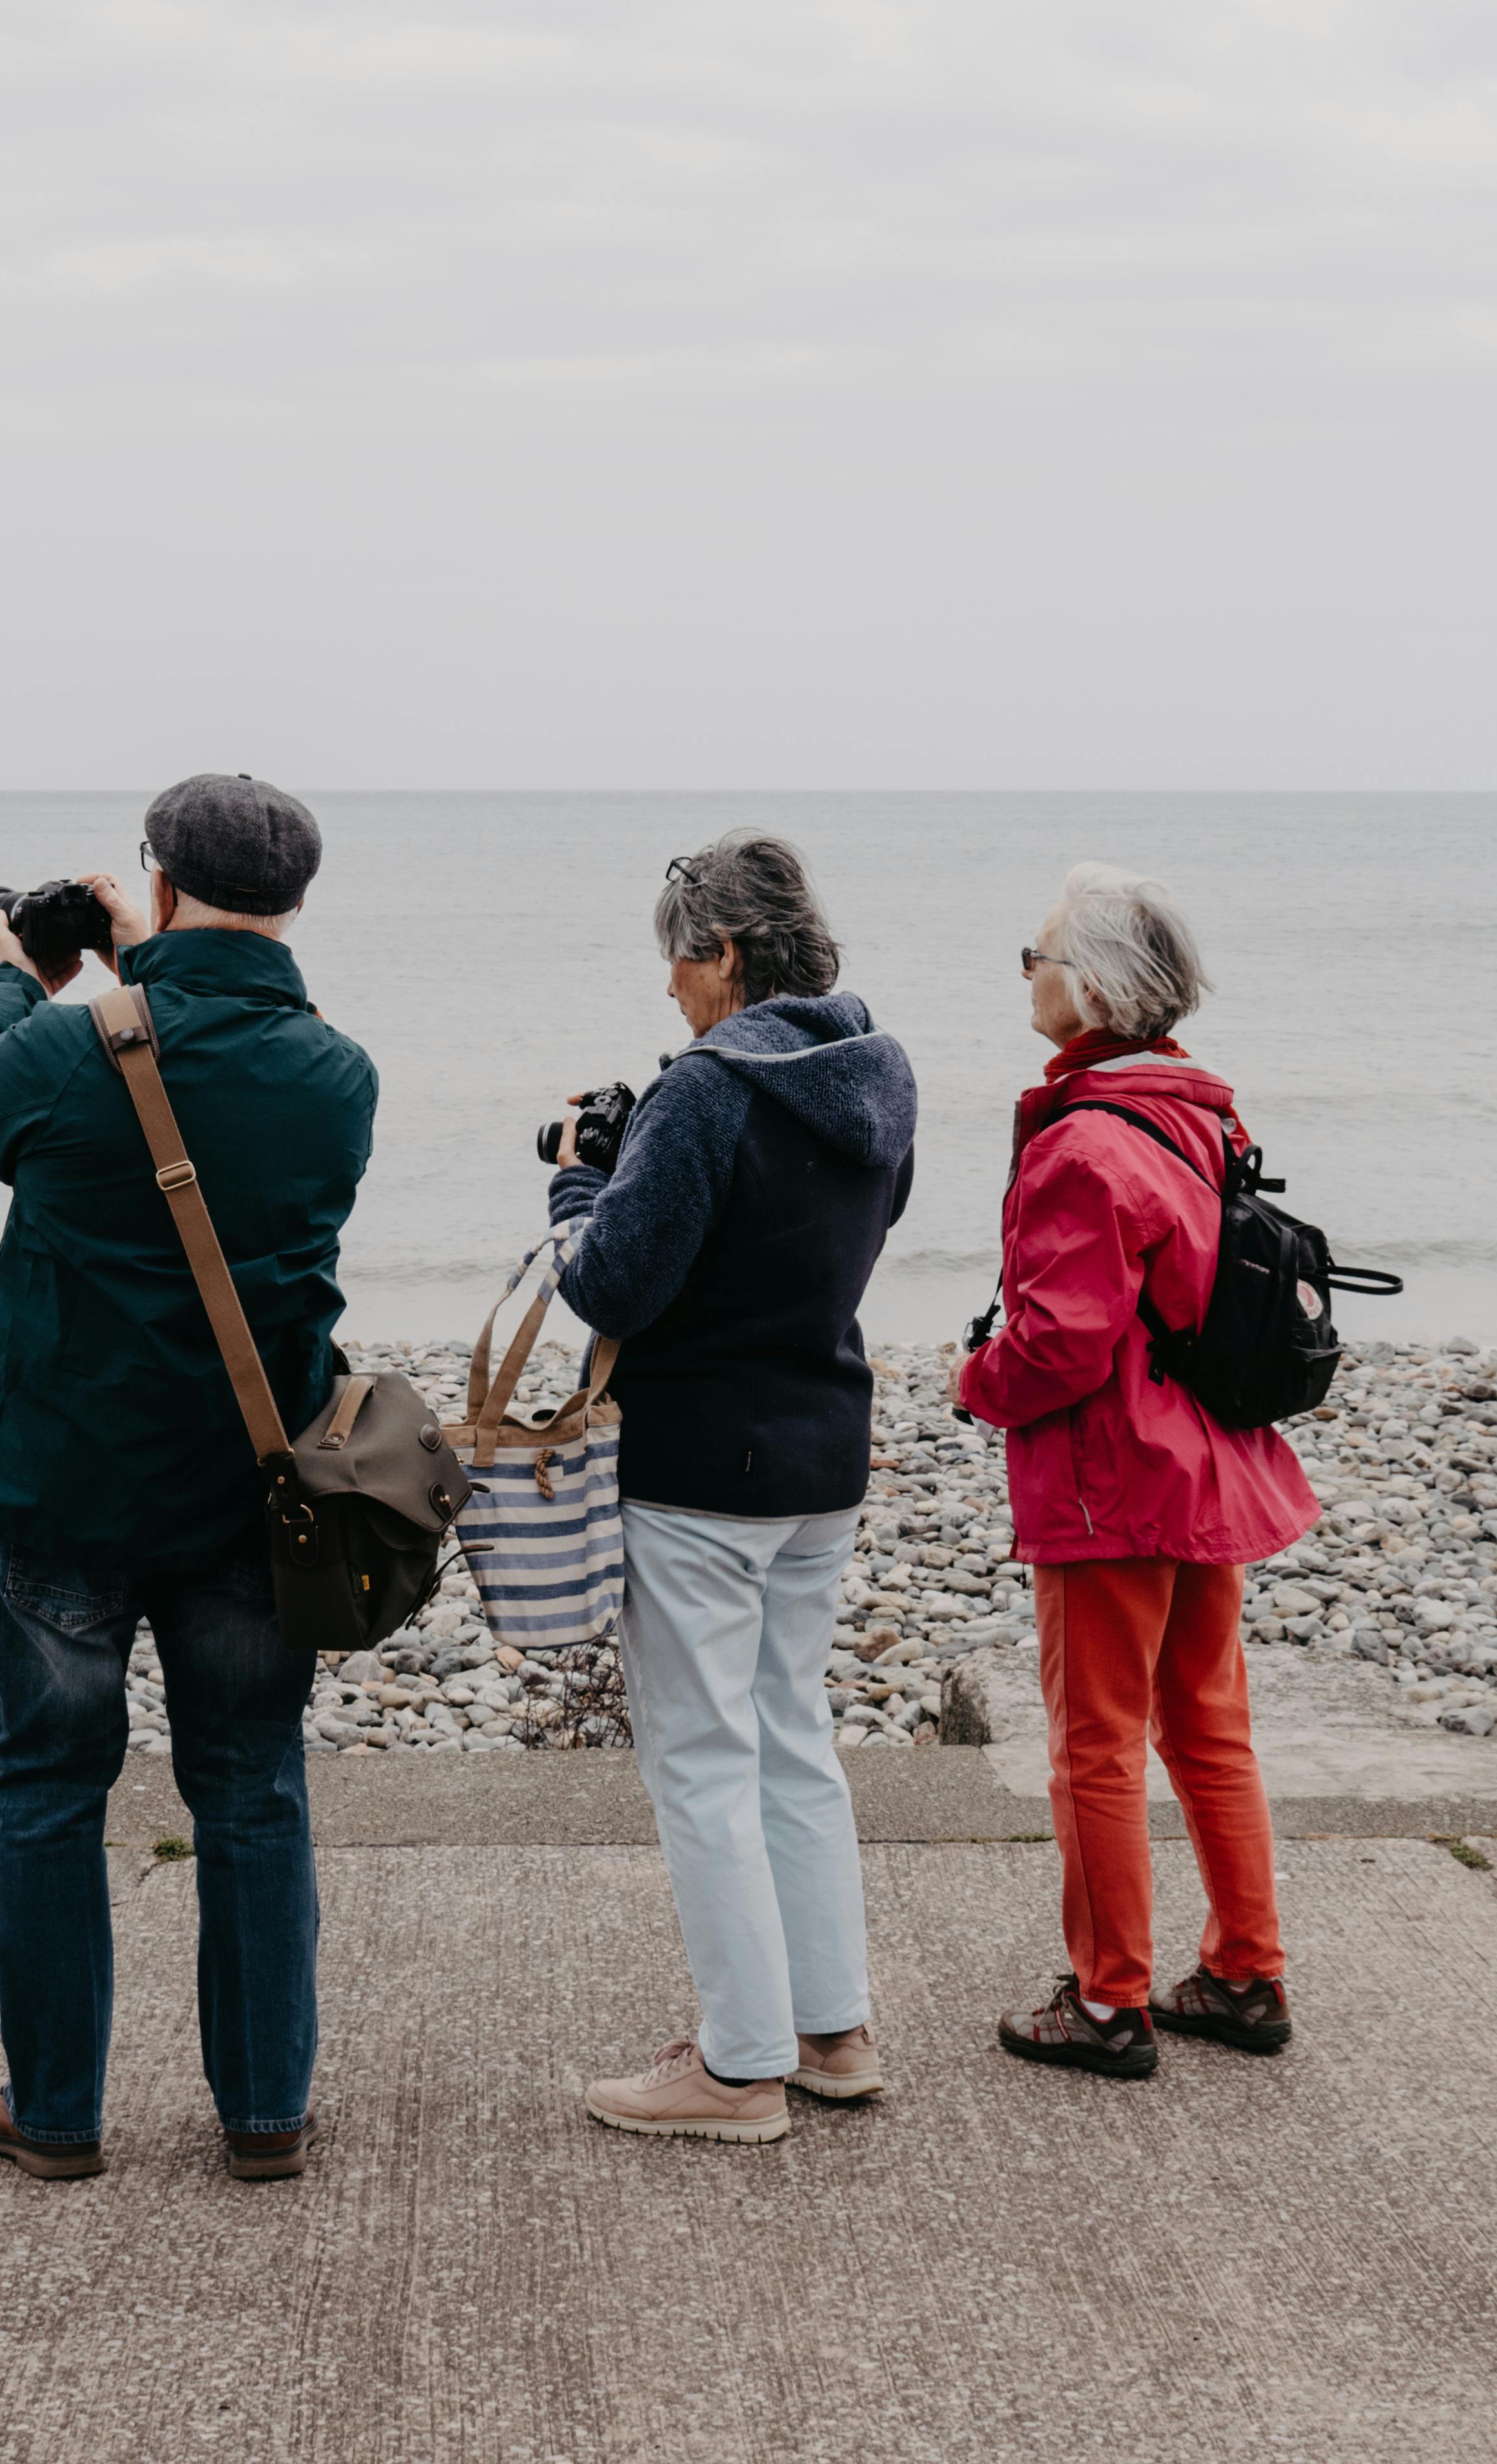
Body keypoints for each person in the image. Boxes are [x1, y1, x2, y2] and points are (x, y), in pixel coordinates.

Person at [0, 774, 371, 2184]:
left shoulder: (65, 1050)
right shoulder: (338, 1073)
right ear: (296, 902)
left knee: (50, 1783)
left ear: (156, 886)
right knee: (250, 1785)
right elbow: (225, 1061)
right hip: (252, 1484)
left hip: (66, 1480)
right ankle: (264, 2113)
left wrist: (17, 975)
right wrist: (149, 962)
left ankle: (55, 2112)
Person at [546, 832, 918, 2144]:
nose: (668, 991)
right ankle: (831, 2031)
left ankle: (737, 2067)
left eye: (676, 961)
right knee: (793, 1744)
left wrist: (579, 1180)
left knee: (704, 1760)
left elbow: (610, 1284)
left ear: (727, 956)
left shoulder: (707, 1091)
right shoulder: (878, 1069)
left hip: (701, 1466)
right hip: (822, 1450)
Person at [952, 864, 1316, 2079]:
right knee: (1209, 1726)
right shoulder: (1205, 1116)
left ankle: (1109, 2003)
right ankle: (1244, 1972)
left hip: (1115, 1481)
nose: (1028, 971)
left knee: (1094, 1743)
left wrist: (975, 1382)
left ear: (1094, 987)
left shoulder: (1087, 1145)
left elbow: (1060, 1344)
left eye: (1038, 953)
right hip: (1211, 1462)